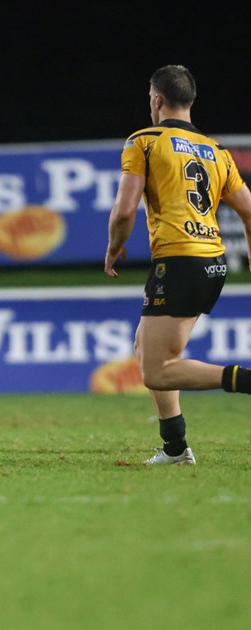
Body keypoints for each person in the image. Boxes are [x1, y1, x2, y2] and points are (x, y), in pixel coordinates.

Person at [105, 65, 251, 465]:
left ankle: (245, 380)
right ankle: (174, 447)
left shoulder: (145, 141)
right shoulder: (217, 151)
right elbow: (248, 210)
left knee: (156, 372)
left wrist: (114, 247)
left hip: (179, 261)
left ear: (156, 99)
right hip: (212, 261)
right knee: (144, 347)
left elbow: (124, 211)